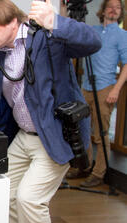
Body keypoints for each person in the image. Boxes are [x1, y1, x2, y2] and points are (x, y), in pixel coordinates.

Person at [0, 0, 101, 223]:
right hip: (24, 136)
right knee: (4, 192)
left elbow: (93, 42)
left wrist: (56, 21)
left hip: (53, 136)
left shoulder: (47, 38)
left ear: (12, 23)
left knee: (30, 199)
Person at [66, 0, 127, 188]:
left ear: (121, 12)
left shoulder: (122, 35)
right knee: (83, 129)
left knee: (101, 134)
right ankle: (83, 167)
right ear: (103, 10)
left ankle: (98, 173)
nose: (114, 10)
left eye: (118, 7)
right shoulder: (93, 30)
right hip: (86, 87)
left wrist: (116, 89)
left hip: (105, 88)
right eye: (110, 6)